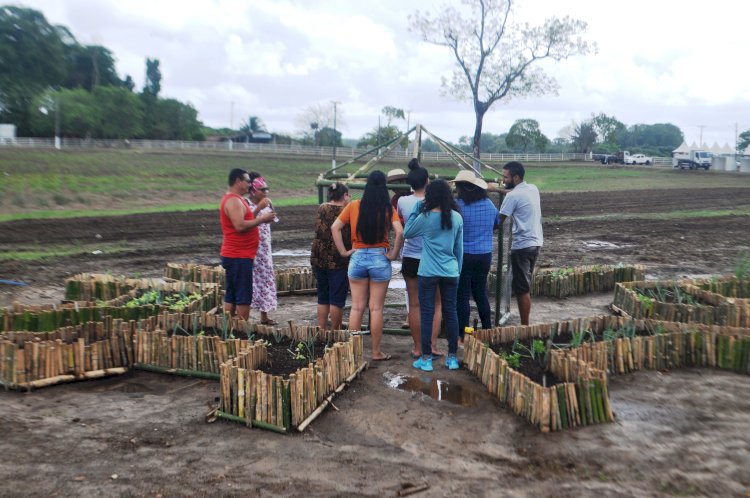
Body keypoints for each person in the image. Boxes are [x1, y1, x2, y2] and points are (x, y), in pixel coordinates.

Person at [331, 170, 403, 361]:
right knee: (376, 308)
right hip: (380, 257)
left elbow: (335, 227)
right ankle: (376, 352)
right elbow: (400, 232)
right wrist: (394, 253)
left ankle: (353, 353)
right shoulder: (388, 208)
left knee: (356, 307)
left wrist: (343, 252)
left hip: (358, 257)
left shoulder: (354, 205)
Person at [403, 179, 463, 372]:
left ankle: (426, 359)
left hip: (428, 272)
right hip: (451, 272)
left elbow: (407, 232)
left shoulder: (425, 216)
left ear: (430, 197)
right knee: (451, 313)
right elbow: (458, 249)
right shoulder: (457, 217)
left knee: (427, 314)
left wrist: (418, 207)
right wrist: (458, 271)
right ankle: (452, 358)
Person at [397, 159, 444, 359]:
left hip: (410, 257)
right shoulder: (437, 202)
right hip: (432, 258)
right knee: (436, 304)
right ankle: (432, 346)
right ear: (427, 181)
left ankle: (417, 347)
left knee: (414, 304)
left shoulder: (402, 201)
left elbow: (403, 225)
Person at [219, 168, 276, 320]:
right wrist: (262, 219)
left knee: (232, 294)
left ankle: (229, 327)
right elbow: (240, 226)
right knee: (243, 296)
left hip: (237, 254)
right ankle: (242, 331)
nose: (249, 185)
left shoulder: (236, 199)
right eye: (247, 181)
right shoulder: (233, 201)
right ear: (238, 181)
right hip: (239, 255)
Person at [453, 169, 500, 339]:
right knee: (480, 292)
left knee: (463, 294)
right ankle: (488, 329)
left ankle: (463, 333)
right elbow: (497, 223)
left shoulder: (458, 206)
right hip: (484, 255)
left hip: (464, 255)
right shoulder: (489, 205)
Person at [499, 161, 543, 325]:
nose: (503, 180)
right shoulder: (532, 188)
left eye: (505, 177)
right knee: (524, 284)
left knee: (522, 289)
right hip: (536, 242)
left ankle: (525, 326)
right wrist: (496, 190)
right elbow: (513, 192)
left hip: (522, 247)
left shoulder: (512, 196)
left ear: (515, 177)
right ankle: (525, 324)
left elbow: (499, 221)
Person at [310, 182, 351, 330]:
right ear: (345, 195)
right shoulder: (346, 211)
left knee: (323, 297)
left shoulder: (322, 207)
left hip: (318, 257)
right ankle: (335, 331)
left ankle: (321, 329)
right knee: (337, 299)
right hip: (337, 260)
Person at [246, 172, 278, 325]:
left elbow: (273, 218)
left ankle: (264, 315)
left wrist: (269, 207)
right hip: (250, 250)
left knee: (265, 281)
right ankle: (240, 317)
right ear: (253, 191)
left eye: (267, 190)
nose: (265, 193)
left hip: (264, 251)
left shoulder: (266, 204)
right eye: (262, 190)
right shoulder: (246, 205)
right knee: (248, 282)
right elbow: (244, 223)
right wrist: (258, 209)